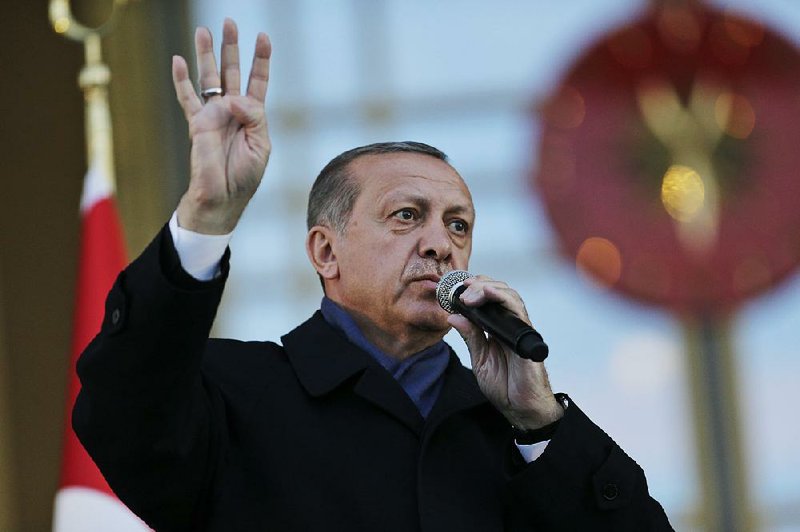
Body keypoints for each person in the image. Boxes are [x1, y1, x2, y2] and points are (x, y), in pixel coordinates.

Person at [73, 18, 673, 531]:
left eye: (459, 225)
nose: (441, 244)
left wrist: (540, 420)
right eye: (407, 216)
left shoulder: (518, 430)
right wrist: (208, 216)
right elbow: (124, 410)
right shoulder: (234, 394)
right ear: (325, 253)